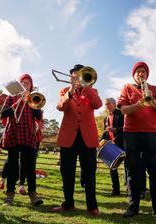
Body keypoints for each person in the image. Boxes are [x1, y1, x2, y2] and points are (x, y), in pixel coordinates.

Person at [118, 61, 156, 218]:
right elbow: (123, 110)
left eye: (143, 72)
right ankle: (133, 207)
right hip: (131, 133)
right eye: (138, 71)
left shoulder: (155, 89)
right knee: (133, 171)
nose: (141, 74)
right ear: (134, 75)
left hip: (152, 134)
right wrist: (139, 105)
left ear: (147, 75)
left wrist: (152, 100)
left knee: (155, 171)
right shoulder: (127, 88)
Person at [51, 64, 102, 216]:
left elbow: (97, 104)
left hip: (88, 137)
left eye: (80, 74)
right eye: (74, 74)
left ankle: (92, 206)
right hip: (69, 137)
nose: (77, 76)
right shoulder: (65, 91)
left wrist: (86, 88)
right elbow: (60, 106)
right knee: (67, 172)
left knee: (89, 173)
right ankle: (68, 203)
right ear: (71, 76)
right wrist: (71, 90)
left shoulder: (92, 90)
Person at [0, 73, 43, 206]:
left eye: (27, 83)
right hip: (13, 133)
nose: (25, 85)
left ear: (31, 86)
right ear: (18, 85)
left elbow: (38, 115)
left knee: (30, 166)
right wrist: (19, 101)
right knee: (12, 166)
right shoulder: (11, 97)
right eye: (22, 83)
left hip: (28, 134)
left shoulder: (34, 98)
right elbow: (3, 113)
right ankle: (10, 195)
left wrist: (30, 102)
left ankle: (33, 195)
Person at [101, 97, 125, 196]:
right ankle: (116, 190)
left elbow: (126, 127)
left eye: (108, 104)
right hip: (111, 146)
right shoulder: (106, 118)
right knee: (112, 167)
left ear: (114, 104)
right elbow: (105, 132)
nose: (106, 106)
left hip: (123, 143)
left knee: (128, 167)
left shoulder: (121, 113)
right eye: (106, 104)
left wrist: (116, 130)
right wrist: (100, 142)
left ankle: (131, 189)